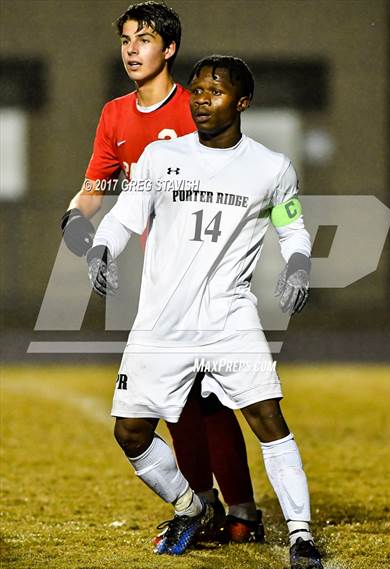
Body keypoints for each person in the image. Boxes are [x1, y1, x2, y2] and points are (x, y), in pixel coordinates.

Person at [86, 55, 324, 569]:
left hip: (229, 319)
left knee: (269, 420)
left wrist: (299, 264)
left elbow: (292, 227)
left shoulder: (271, 168)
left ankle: (302, 536)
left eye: (213, 92)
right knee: (129, 432)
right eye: (195, 90)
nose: (200, 99)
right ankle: (190, 506)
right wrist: (101, 247)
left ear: (242, 103)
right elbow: (125, 215)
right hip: (160, 324)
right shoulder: (158, 157)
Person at [60, 1, 263, 542]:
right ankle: (209, 506)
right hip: (159, 279)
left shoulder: (196, 107)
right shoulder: (115, 115)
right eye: (126, 38)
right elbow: (94, 191)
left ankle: (239, 509)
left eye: (144, 38)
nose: (131, 48)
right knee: (178, 401)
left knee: (211, 398)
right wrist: (79, 231)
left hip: (207, 276)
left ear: (169, 48)